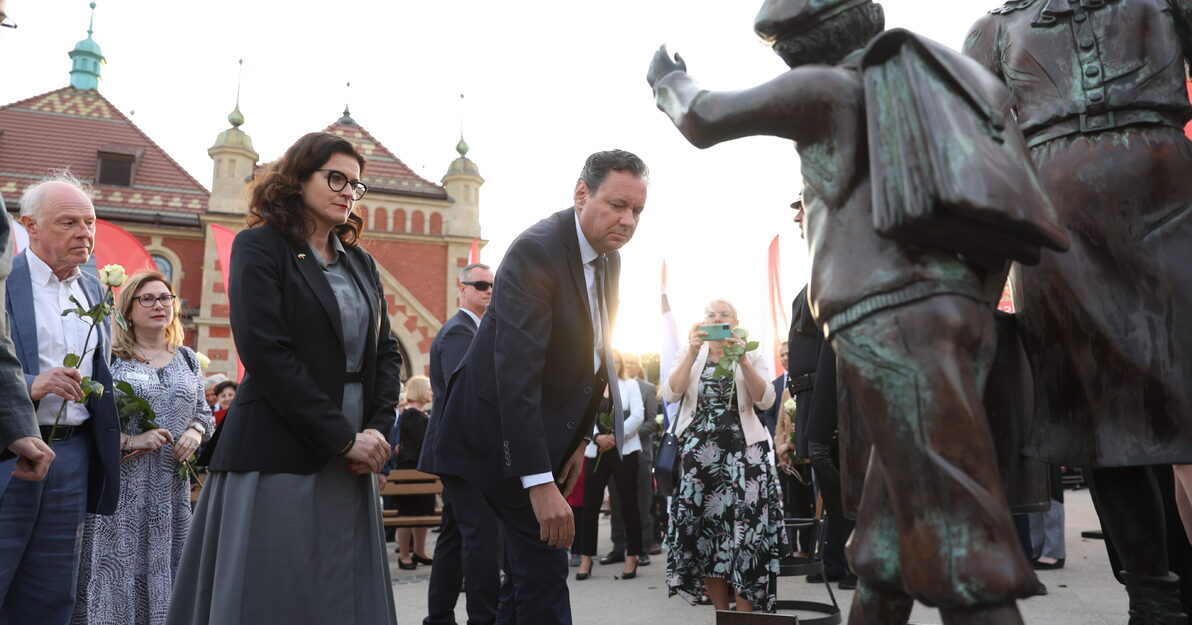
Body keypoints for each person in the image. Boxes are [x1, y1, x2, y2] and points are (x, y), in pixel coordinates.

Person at [649, 2, 1071, 621]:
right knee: (884, 539)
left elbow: (703, 114)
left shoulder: (827, 84)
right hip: (954, 307)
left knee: (961, 546)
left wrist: (666, 79)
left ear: (797, 45)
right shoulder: (929, 78)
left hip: (892, 321)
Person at [966, 5, 1192, 621]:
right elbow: (968, 135)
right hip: (1056, 227)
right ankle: (1151, 595)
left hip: (1170, 198)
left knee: (1184, 399)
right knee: (1097, 420)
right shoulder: (997, 28)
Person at [167, 132, 402, 625]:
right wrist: (342, 438)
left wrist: (378, 429)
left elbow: (386, 352)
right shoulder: (261, 246)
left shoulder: (361, 263)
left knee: (341, 588)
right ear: (297, 179)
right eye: (335, 178)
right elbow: (265, 352)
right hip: (282, 442)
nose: (347, 191)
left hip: (358, 444)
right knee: (273, 590)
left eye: (356, 186)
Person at [427, 149, 648, 624]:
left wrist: (580, 439)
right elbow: (517, 373)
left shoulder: (609, 260)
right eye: (617, 205)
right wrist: (539, 481)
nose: (628, 221)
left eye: (637, 211)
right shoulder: (537, 250)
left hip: (540, 437)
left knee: (524, 586)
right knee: (546, 570)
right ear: (581, 194)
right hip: (491, 438)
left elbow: (593, 359)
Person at [0, 173, 121, 625]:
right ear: (29, 226)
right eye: (68, 222)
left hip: (72, 455)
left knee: (52, 593)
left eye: (89, 222)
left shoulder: (94, 290)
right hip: (11, 451)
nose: (84, 233)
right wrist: (30, 383)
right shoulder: (4, 283)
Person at [71, 270, 214, 625]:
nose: (159, 305)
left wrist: (195, 432)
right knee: (115, 571)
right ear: (128, 309)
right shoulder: (109, 359)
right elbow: (86, 419)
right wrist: (129, 440)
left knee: (171, 574)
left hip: (169, 492)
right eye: (147, 298)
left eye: (165, 298)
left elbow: (204, 412)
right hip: (120, 491)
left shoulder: (187, 359)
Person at [662, 299, 781, 613]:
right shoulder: (692, 353)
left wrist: (742, 359)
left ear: (735, 321)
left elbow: (766, 400)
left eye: (724, 314)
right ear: (702, 323)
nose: (716, 318)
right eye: (710, 315)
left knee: (746, 534)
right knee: (709, 535)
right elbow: (672, 392)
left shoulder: (750, 352)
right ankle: (722, 615)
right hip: (700, 460)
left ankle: (744, 616)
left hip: (745, 454)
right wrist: (689, 352)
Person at [420, 262, 500, 625]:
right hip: (464, 449)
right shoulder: (458, 331)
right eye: (480, 284)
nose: (488, 290)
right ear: (462, 289)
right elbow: (466, 391)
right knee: (481, 537)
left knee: (454, 537)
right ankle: (483, 618)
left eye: (491, 285)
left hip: (462, 450)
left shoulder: (478, 329)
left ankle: (438, 617)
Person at [576, 350, 645, 581]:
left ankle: (631, 555)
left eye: (614, 361)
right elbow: (584, 415)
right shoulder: (592, 386)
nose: (610, 364)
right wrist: (597, 437)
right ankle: (586, 557)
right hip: (597, 451)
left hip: (624, 450)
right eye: (606, 361)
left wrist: (615, 435)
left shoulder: (629, 385)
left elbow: (638, 415)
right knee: (590, 507)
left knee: (628, 504)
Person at [607, 351, 660, 563]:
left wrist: (626, 434)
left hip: (640, 454)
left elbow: (651, 422)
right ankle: (618, 547)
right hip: (613, 453)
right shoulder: (611, 386)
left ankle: (643, 548)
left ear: (637, 366)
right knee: (617, 503)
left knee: (641, 502)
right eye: (624, 362)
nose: (627, 366)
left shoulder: (646, 388)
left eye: (631, 362)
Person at [394, 375, 434, 570]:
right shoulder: (411, 414)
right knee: (407, 513)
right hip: (410, 468)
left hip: (420, 468)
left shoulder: (420, 414)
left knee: (423, 511)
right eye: (428, 389)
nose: (431, 392)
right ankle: (404, 555)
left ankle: (419, 551)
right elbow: (423, 439)